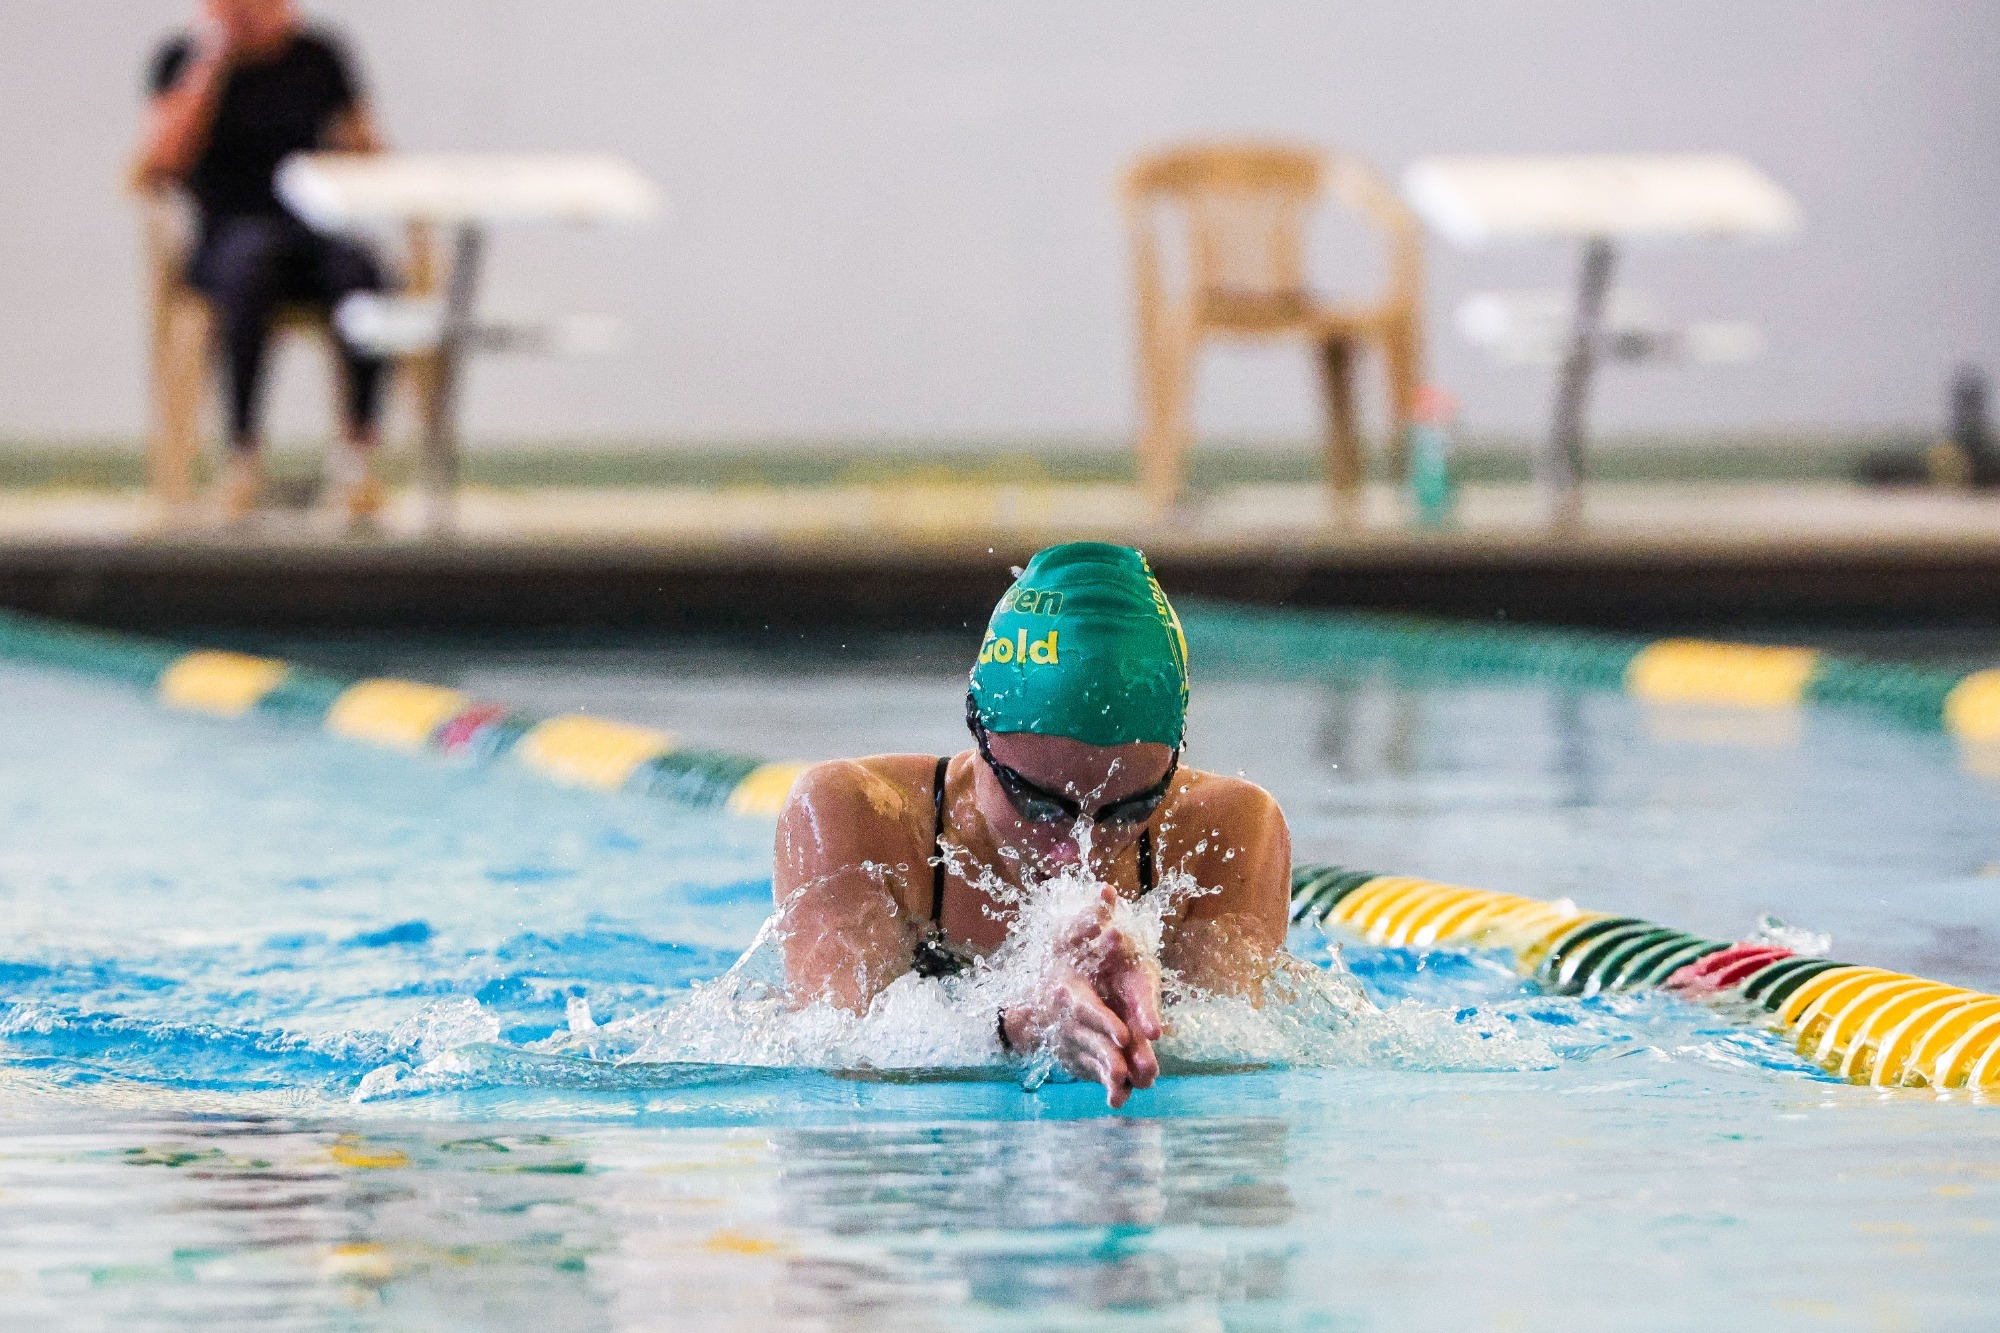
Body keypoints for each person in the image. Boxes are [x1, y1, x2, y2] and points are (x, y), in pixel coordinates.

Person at [774, 542, 1292, 1107]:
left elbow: (1242, 1067)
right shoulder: (861, 819)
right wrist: (1016, 1024)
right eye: (1042, 806)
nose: (1079, 851)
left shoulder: (1227, 831)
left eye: (1131, 810)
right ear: (979, 733)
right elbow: (834, 1060)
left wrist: (1154, 1015)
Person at [135, 0, 391, 523]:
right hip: (226, 234)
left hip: (311, 228)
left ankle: (357, 456)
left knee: (362, 277)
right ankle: (241, 454)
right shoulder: (183, 59)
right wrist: (210, 69)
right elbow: (155, 166)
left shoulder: (318, 56)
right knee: (252, 270)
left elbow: (370, 153)